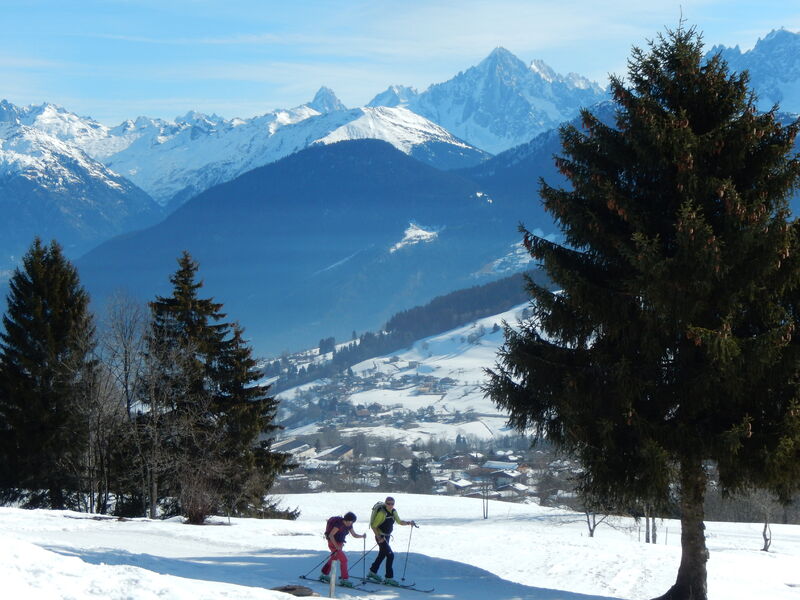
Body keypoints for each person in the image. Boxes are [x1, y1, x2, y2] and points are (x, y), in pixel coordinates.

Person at [367, 496, 416, 586]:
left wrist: (409, 523)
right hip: (380, 536)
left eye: (392, 504)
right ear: (385, 503)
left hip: (387, 537)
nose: (390, 505)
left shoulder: (393, 511)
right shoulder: (382, 513)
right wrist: (378, 537)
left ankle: (372, 572)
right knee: (390, 555)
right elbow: (374, 525)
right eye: (388, 503)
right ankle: (389, 578)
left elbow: (399, 522)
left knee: (382, 554)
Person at [320, 511, 365, 588]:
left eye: (352, 522)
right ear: (346, 519)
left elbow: (354, 534)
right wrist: (336, 546)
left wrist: (362, 536)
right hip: (333, 543)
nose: (351, 523)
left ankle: (324, 574)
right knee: (344, 560)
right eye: (351, 521)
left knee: (334, 558)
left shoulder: (349, 525)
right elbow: (331, 535)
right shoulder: (339, 525)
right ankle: (344, 579)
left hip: (339, 544)